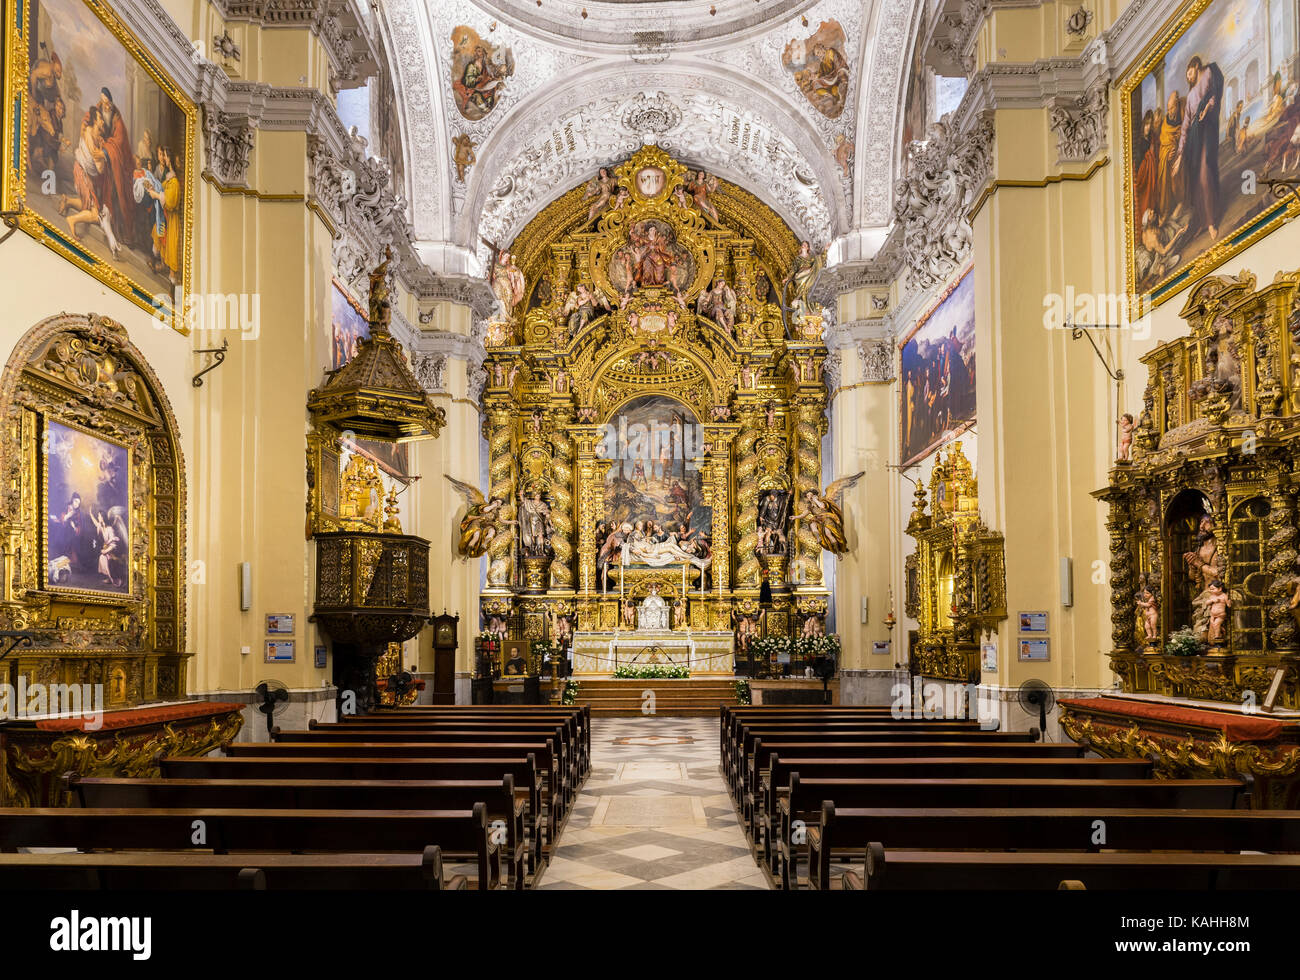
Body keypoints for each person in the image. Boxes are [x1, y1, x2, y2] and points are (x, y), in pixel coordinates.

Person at [1173, 56, 1224, 243]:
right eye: (1186, 75)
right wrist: (1179, 156)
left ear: (1195, 66)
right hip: (1194, 137)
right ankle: (1203, 220)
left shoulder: (1209, 73)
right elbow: (1185, 126)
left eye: (1189, 71)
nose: (1188, 76)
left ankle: (1211, 221)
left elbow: (1214, 94)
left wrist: (1207, 108)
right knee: (1196, 181)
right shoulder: (1190, 97)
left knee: (1205, 173)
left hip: (1207, 130)